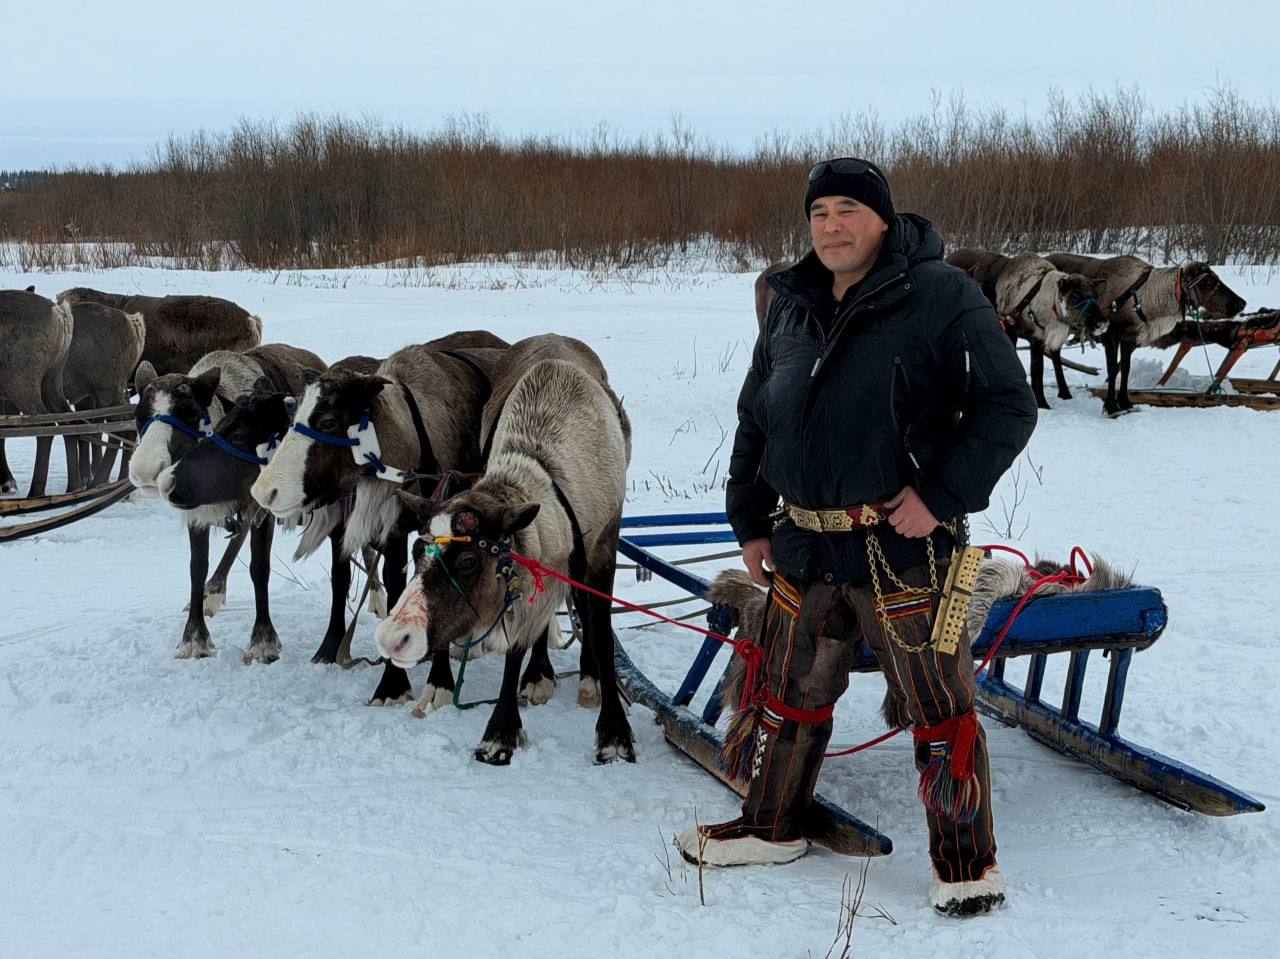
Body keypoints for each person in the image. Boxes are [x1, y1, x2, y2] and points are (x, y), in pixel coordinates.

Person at [674, 157, 1037, 917]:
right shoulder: (791, 303)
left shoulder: (939, 294)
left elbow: (1007, 403)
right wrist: (749, 516)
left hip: (901, 552)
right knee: (787, 692)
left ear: (881, 218)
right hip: (803, 546)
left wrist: (940, 495)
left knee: (938, 708)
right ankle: (772, 826)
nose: (831, 226)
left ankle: (967, 864)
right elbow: (755, 417)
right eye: (819, 213)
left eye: (847, 209)